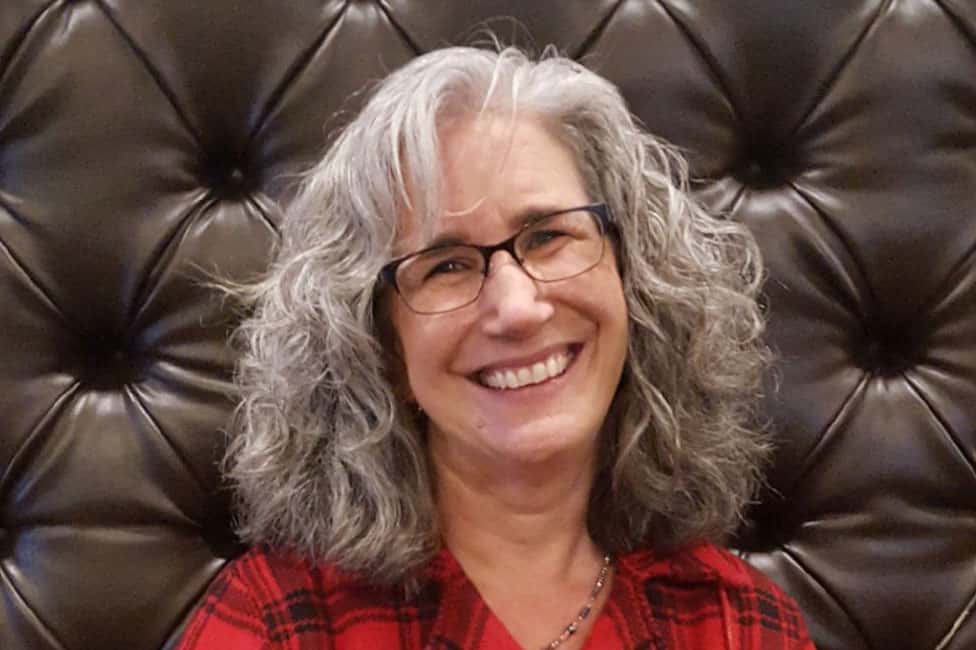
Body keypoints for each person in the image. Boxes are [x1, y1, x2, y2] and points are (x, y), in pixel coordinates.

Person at [176, 45, 814, 650]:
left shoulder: (733, 622)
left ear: (635, 282)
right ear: (378, 350)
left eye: (548, 237)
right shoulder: (281, 620)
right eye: (445, 266)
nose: (516, 308)